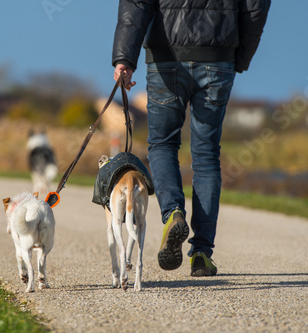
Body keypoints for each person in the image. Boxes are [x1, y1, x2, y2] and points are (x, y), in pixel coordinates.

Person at [112, 0, 271, 276]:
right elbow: (256, 6)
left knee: (162, 144)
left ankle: (173, 213)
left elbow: (136, 3)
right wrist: (240, 55)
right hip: (218, 56)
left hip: (165, 56)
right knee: (207, 154)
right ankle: (201, 253)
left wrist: (125, 58)